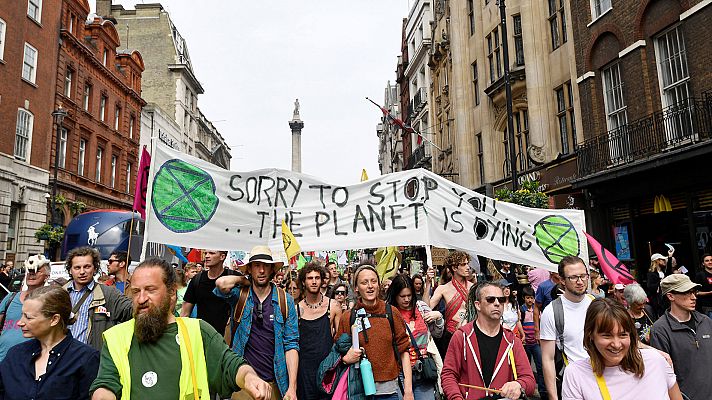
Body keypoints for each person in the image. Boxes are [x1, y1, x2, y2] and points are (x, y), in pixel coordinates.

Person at [90, 258, 273, 400]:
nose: (141, 298)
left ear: (171, 293)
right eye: (136, 291)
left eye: (150, 289)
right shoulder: (116, 338)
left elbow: (230, 365)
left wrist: (249, 378)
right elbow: (106, 383)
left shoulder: (197, 331)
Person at [215, 246, 299, 400]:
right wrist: (242, 279)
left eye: (266, 265)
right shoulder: (240, 295)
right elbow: (221, 284)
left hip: (274, 384)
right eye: (256, 265)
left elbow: (291, 345)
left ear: (272, 269)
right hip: (243, 383)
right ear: (250, 269)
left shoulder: (285, 301)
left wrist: (292, 388)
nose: (261, 270)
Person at [561, 298, 682, 400]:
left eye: (623, 335)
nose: (616, 344)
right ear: (591, 335)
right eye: (606, 335)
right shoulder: (576, 374)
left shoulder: (656, 361)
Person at [0, 286, 99, 399]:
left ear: (54, 319)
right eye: (22, 315)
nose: (20, 322)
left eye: (28, 318)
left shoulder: (85, 358)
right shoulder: (15, 355)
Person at [441, 281, 536, 400]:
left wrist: (519, 385)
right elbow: (448, 375)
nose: (497, 303)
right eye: (490, 299)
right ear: (478, 305)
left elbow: (530, 380)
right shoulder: (462, 336)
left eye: (501, 300)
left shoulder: (512, 341)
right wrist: (456, 398)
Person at [334, 264, 414, 400]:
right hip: (358, 391)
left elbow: (404, 351)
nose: (370, 286)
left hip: (388, 392)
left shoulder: (391, 313)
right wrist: (346, 359)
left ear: (379, 285)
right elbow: (337, 354)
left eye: (373, 281)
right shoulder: (348, 317)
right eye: (364, 283)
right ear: (356, 288)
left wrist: (408, 390)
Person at [650, 274, 712, 400]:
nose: (693, 297)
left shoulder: (705, 321)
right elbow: (663, 376)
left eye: (694, 292)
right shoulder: (660, 330)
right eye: (686, 293)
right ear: (671, 296)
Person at [540, 256, 593, 400]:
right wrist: (553, 397)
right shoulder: (552, 312)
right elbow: (548, 359)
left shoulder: (597, 304)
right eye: (573, 277)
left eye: (583, 276)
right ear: (562, 280)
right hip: (575, 383)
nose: (580, 281)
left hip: (604, 376)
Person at [63, 246, 133, 350]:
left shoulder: (109, 294)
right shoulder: (57, 294)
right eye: (77, 267)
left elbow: (132, 310)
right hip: (61, 358)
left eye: (87, 267)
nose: (82, 272)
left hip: (91, 359)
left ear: (95, 269)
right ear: (70, 270)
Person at [387, 274, 443, 400]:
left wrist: (438, 317)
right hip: (399, 372)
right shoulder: (389, 313)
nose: (406, 299)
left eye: (409, 295)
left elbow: (437, 334)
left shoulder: (421, 307)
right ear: (395, 295)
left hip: (423, 369)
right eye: (402, 296)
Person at [296, 262, 341, 400]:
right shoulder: (296, 309)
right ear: (303, 282)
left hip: (327, 372)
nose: (314, 281)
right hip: (304, 374)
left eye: (317, 278)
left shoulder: (333, 306)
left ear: (322, 281)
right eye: (310, 278)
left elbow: (339, 340)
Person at [0, 255, 51, 361]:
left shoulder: (49, 301)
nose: (32, 275)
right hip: (3, 359)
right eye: (30, 271)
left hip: (29, 361)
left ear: (46, 276)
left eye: (36, 271)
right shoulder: (11, 297)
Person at [181, 250, 239, 335]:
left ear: (222, 257)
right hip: (202, 336)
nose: (207, 256)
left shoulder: (234, 277)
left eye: (211, 253)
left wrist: (241, 279)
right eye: (206, 253)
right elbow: (185, 313)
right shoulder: (197, 280)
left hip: (227, 338)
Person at [429, 251, 473, 358]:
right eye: (463, 264)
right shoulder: (443, 289)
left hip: (471, 334)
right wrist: (427, 284)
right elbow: (427, 308)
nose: (468, 267)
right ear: (454, 268)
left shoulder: (473, 288)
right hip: (450, 335)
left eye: (468, 264)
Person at [521, 285, 546, 398]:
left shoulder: (538, 311)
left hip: (536, 343)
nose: (530, 300)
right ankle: (527, 390)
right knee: (526, 369)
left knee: (540, 366)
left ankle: (542, 390)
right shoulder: (521, 310)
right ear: (524, 298)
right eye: (527, 298)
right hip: (525, 344)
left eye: (532, 298)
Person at [647, 251, 673, 317]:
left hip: (666, 300)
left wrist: (670, 257)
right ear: (657, 261)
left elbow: (669, 272)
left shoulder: (663, 272)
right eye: (662, 260)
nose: (664, 261)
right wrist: (660, 282)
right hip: (658, 303)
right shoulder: (651, 274)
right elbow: (650, 287)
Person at [693, 253, 712, 318]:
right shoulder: (700, 275)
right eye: (707, 261)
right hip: (708, 307)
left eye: (711, 260)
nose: (710, 262)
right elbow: (696, 292)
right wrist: (709, 293)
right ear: (703, 263)